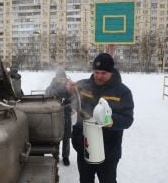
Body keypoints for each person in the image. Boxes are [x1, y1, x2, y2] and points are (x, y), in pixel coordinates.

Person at [69, 53, 134, 183]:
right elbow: (71, 101)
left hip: (108, 151)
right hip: (84, 147)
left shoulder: (122, 92)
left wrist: (111, 120)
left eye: (103, 73)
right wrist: (68, 90)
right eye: (96, 72)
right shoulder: (83, 85)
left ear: (111, 72)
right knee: (85, 180)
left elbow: (127, 119)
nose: (99, 76)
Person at [46, 68, 72, 166]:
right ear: (56, 78)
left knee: (66, 137)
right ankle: (55, 155)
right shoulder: (51, 86)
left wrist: (71, 105)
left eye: (63, 78)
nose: (61, 80)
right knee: (56, 137)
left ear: (65, 78)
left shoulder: (69, 86)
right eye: (59, 78)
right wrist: (58, 90)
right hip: (55, 116)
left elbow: (75, 99)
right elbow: (47, 95)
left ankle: (66, 157)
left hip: (66, 115)